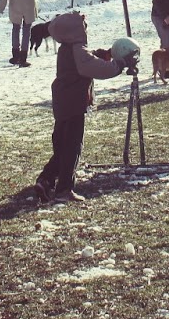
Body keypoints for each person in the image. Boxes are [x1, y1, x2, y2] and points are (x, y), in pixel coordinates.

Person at [34, 11, 133, 203]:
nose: (85, 29)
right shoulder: (78, 49)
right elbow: (92, 67)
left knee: (62, 147)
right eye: (83, 26)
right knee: (72, 147)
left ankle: (45, 180)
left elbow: (87, 59)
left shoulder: (68, 48)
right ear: (74, 31)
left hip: (63, 103)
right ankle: (64, 189)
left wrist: (102, 54)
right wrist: (118, 65)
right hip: (74, 104)